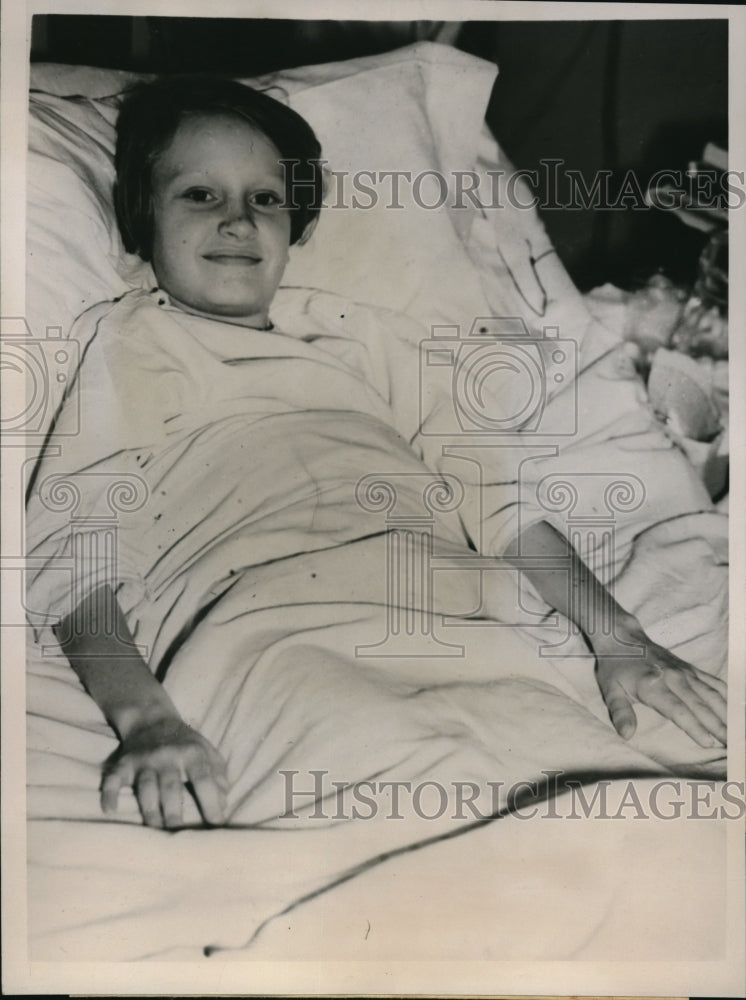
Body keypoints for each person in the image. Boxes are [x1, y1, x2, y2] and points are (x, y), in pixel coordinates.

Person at [30, 76, 726, 831]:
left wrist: (621, 638)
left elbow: (496, 500)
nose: (237, 221)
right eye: (200, 195)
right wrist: (148, 721)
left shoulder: (361, 338)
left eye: (264, 198)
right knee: (414, 821)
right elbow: (77, 555)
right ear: (142, 216)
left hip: (463, 614)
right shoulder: (130, 345)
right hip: (270, 626)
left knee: (625, 818)